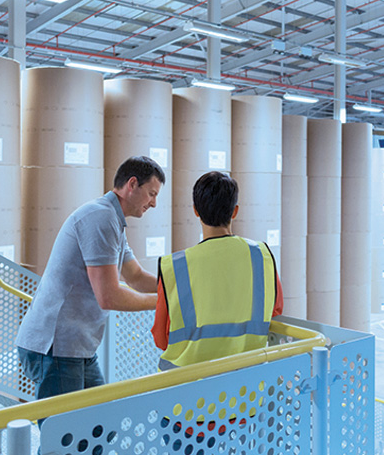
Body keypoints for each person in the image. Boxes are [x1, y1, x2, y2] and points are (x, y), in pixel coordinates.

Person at [16, 156, 164, 403]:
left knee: (98, 429)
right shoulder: (100, 218)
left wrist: (178, 286)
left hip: (76, 347)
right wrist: (164, 303)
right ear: (132, 184)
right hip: (55, 348)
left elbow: (136, 276)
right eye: (151, 193)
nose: (154, 203)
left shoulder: (113, 221)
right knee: (68, 437)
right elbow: (109, 296)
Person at [152, 171, 283, 370]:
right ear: (235, 211)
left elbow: (161, 338)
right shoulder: (262, 256)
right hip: (248, 384)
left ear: (195, 210)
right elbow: (275, 309)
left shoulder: (174, 267)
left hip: (188, 388)